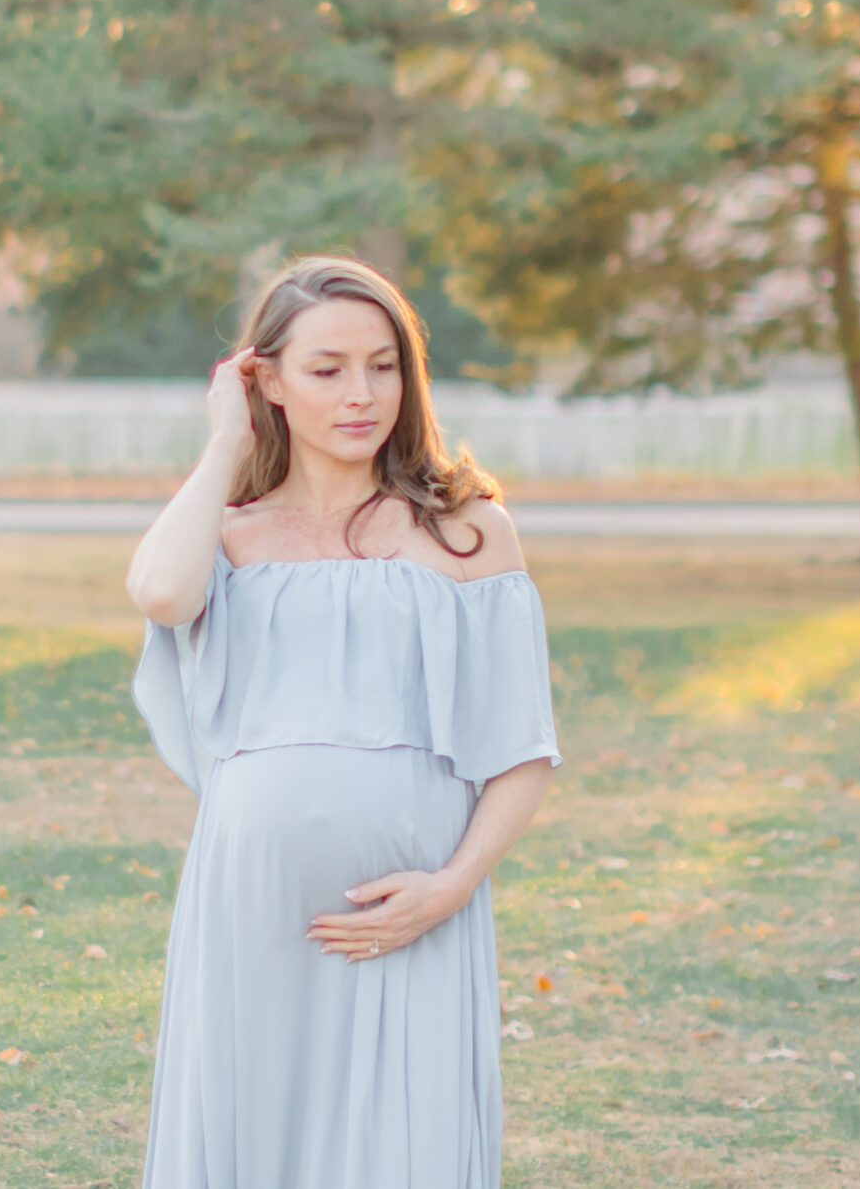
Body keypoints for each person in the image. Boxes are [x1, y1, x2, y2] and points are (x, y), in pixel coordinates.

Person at [125, 255, 561, 1189]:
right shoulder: (229, 534)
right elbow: (161, 593)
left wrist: (449, 889)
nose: (363, 394)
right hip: (251, 908)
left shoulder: (467, 531)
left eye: (384, 364)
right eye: (326, 369)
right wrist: (221, 446)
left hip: (413, 912)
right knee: (252, 1143)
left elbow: (523, 750)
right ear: (268, 383)